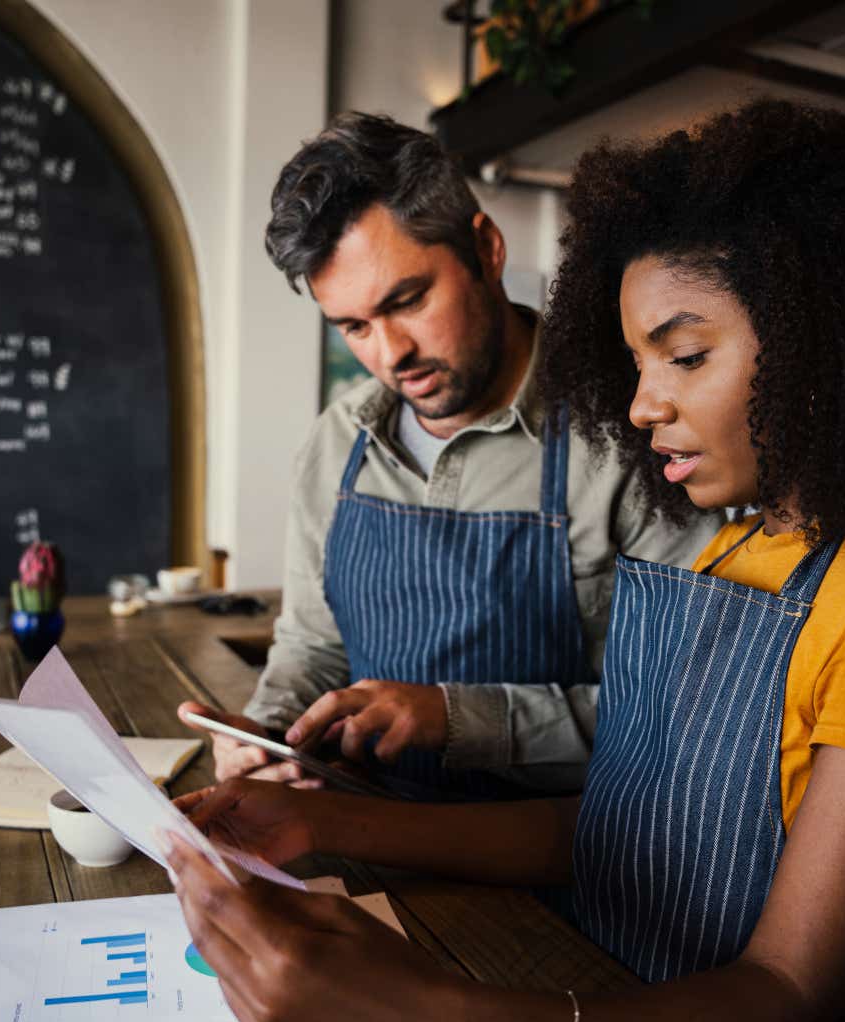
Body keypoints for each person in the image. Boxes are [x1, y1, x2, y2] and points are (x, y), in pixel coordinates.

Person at [160, 98, 845, 1022]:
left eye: (683, 355)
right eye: (635, 361)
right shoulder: (740, 550)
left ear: (826, 337)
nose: (638, 404)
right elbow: (614, 828)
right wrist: (321, 815)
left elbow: (790, 993)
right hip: (598, 989)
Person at [179, 112, 714, 797]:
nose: (390, 353)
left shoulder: (633, 438)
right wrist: (268, 731)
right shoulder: (337, 445)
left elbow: (681, 712)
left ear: (485, 247)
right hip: (368, 843)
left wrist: (461, 718)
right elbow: (312, 648)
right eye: (353, 326)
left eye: (408, 299)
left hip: (564, 873)